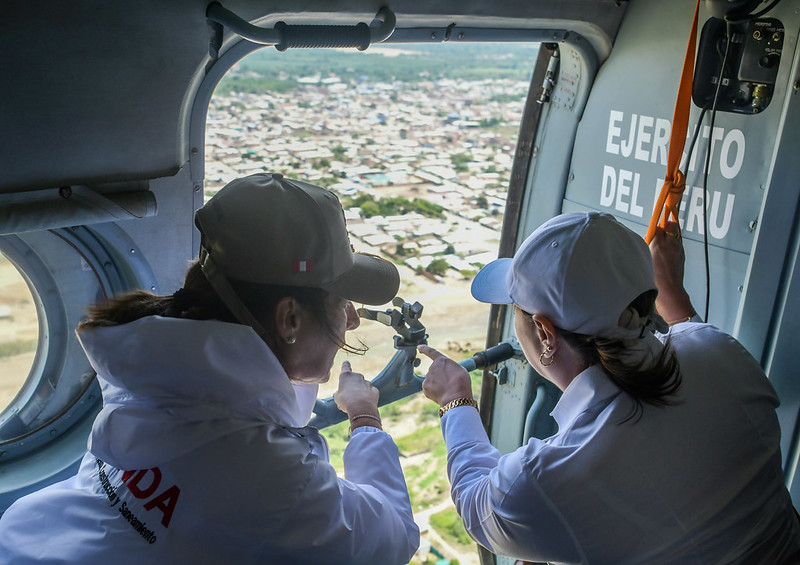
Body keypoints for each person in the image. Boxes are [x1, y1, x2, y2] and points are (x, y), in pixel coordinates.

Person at [0, 173, 419, 564]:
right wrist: (364, 419)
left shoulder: (148, 374)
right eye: (340, 302)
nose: (353, 320)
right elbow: (395, 536)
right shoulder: (276, 479)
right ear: (289, 318)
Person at [419, 211, 800, 564]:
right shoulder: (719, 351)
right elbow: (692, 340)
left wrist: (455, 400)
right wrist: (674, 294)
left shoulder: (545, 480)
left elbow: (476, 505)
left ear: (544, 333)